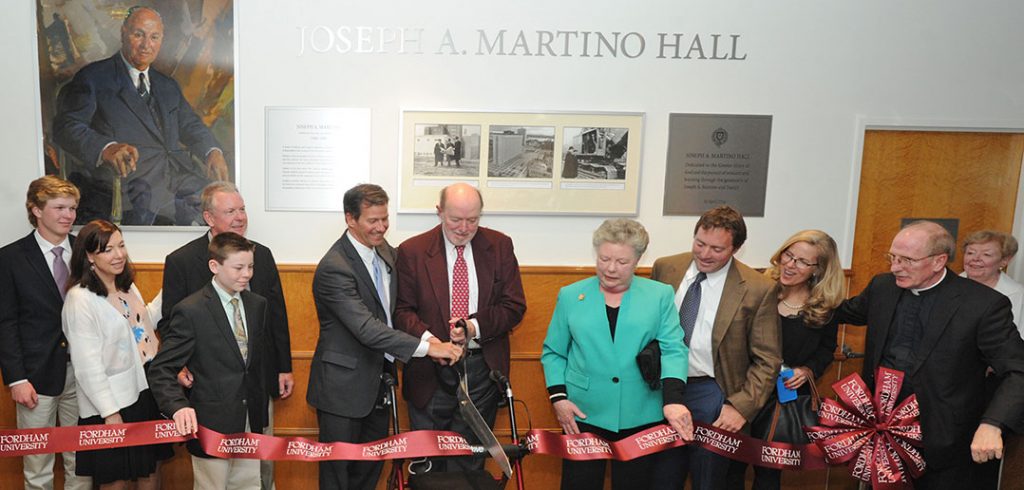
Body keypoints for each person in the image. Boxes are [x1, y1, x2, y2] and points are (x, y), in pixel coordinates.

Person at [837, 221, 1024, 489]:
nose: (895, 267)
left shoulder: (983, 305)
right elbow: (842, 312)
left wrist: (993, 424)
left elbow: (1018, 369)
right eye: (892, 257)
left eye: (907, 260)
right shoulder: (883, 287)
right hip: (881, 430)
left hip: (942, 438)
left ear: (939, 261)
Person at [308, 184, 463, 490]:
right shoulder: (334, 268)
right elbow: (366, 328)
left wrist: (431, 337)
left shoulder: (388, 254)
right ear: (350, 219)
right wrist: (428, 348)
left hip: (380, 384)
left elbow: (401, 309)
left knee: (369, 472)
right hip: (342, 391)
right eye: (372, 221)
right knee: (338, 477)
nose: (380, 228)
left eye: (385, 219)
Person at [541, 218, 693, 489]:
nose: (610, 268)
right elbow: (554, 352)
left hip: (642, 412)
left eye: (621, 262)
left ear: (637, 260)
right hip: (584, 413)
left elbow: (673, 349)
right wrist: (559, 399)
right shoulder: (570, 296)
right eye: (604, 259)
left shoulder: (659, 295)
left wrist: (673, 399)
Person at [160, 181, 292, 490]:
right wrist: (180, 367)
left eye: (242, 209)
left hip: (254, 387)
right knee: (214, 478)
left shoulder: (263, 255)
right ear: (209, 217)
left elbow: (276, 317)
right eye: (230, 210)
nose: (240, 217)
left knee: (256, 472)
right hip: (210, 388)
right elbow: (170, 322)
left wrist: (283, 366)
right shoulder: (181, 260)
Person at [52, 6, 227, 225]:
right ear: (123, 33)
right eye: (139, 35)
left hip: (179, 178)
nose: (147, 45)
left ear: (161, 40)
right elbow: (66, 127)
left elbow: (191, 125)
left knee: (225, 210)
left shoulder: (167, 85)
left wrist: (212, 151)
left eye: (154, 37)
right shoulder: (93, 78)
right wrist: (105, 148)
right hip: (131, 187)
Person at [395, 183, 527, 473]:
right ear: (439, 211)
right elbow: (402, 311)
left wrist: (473, 327)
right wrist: (433, 344)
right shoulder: (412, 251)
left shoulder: (499, 245)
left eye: (473, 220)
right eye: (456, 219)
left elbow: (513, 306)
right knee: (429, 461)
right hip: (428, 373)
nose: (465, 228)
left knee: (471, 460)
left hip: (482, 369)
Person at [649, 205, 782, 490]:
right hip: (663, 389)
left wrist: (741, 407)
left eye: (717, 249)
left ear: (736, 249)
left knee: (708, 480)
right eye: (700, 243)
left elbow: (767, 360)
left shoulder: (758, 288)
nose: (705, 254)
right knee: (661, 478)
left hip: (715, 393)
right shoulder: (666, 267)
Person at [148, 232, 269, 489]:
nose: (246, 274)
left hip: (249, 419)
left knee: (249, 485)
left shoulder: (257, 305)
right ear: (214, 266)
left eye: (250, 267)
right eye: (238, 267)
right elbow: (162, 369)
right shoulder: (191, 310)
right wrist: (178, 406)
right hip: (211, 423)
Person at [726, 230, 844, 490]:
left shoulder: (825, 306)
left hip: (783, 401)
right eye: (788, 255)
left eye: (802, 261)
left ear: (818, 269)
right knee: (729, 469)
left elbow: (826, 349)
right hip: (744, 393)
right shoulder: (756, 288)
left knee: (768, 475)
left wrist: (808, 370)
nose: (790, 264)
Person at [61, 220, 172, 489]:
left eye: (121, 246)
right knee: (116, 480)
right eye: (108, 250)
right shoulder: (80, 300)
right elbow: (87, 367)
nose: (119, 254)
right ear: (89, 256)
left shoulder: (126, 286)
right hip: (111, 404)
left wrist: (173, 287)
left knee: (150, 472)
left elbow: (141, 323)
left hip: (145, 391)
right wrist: (110, 413)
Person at [0, 176, 91, 490]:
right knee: (36, 463)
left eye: (73, 208)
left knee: (80, 462)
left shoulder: (87, 251)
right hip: (34, 379)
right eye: (59, 207)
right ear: (36, 210)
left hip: (83, 373)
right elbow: (6, 322)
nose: (68, 215)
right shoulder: (10, 258)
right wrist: (16, 379)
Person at [962, 230, 1024, 332]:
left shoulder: (1015, 293)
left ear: (1004, 261)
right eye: (970, 253)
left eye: (986, 254)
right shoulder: (949, 284)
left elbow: (1017, 338)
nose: (976, 258)